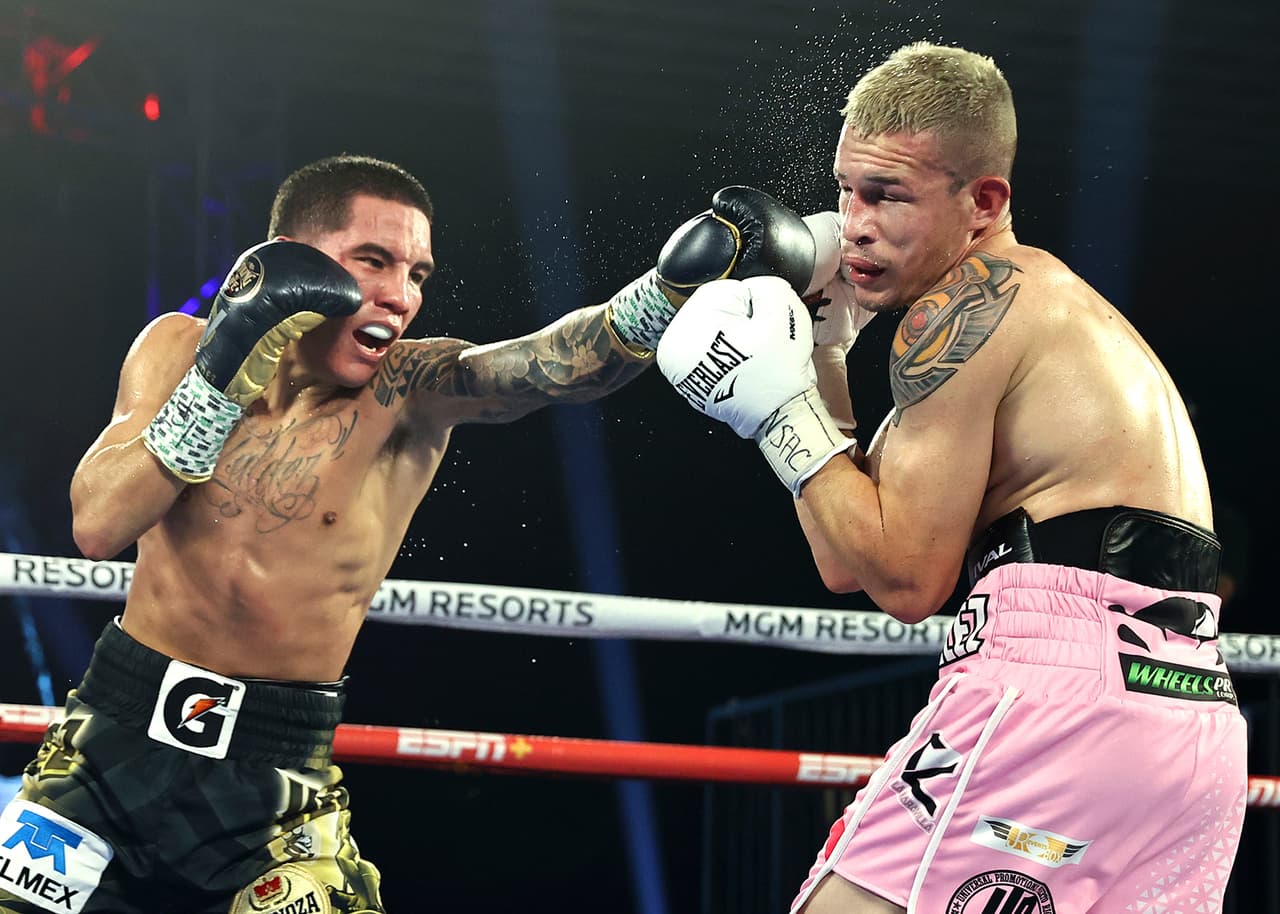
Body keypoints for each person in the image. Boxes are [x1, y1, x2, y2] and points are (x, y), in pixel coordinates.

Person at [0, 155, 835, 913]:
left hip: (273, 784)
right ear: (289, 259)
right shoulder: (179, 347)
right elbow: (98, 523)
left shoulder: (407, 389)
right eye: (374, 261)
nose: (402, 295)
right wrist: (220, 376)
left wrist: (670, 292)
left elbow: (547, 366)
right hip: (103, 753)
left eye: (418, 273)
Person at [655, 42, 1247, 914]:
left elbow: (905, 580)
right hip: (1190, 725)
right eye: (847, 188)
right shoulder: (1035, 306)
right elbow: (848, 556)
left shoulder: (970, 303)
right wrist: (821, 347)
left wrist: (777, 414)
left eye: (889, 194)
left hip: (1054, 696)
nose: (853, 222)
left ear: (984, 202)